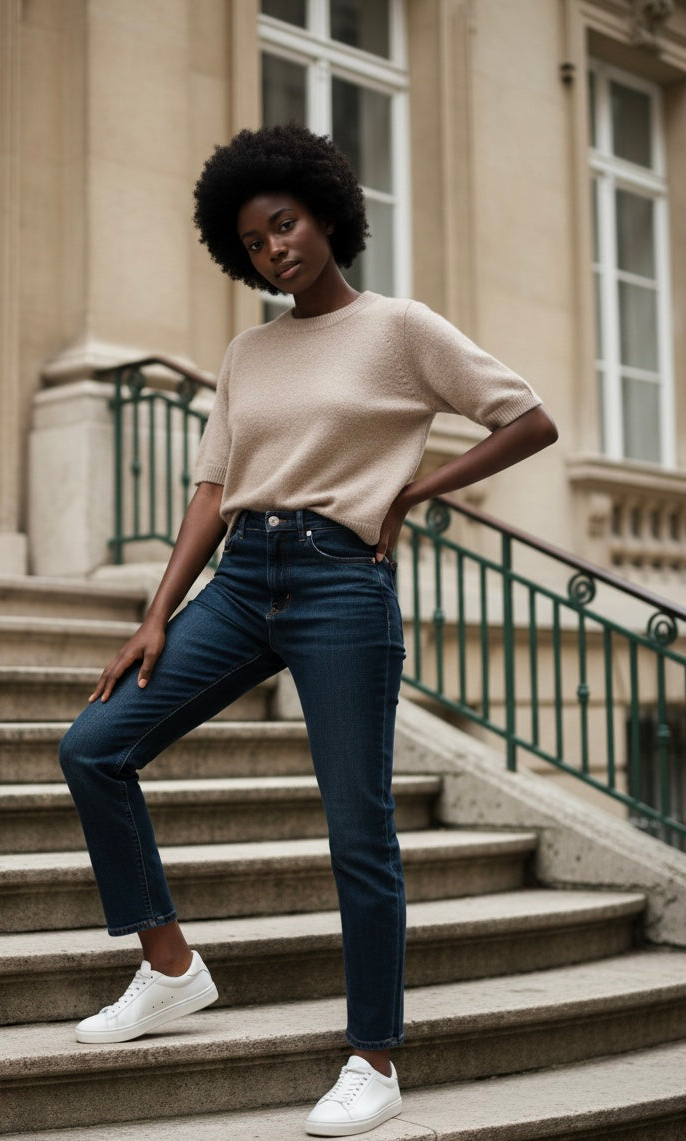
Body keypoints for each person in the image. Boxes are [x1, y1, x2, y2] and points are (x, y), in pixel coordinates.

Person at [59, 122, 558, 1138]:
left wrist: (414, 492)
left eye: (282, 224)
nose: (273, 247)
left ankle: (373, 1057)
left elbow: (528, 419)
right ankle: (169, 967)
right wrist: (155, 617)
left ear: (325, 214)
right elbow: (210, 490)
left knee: (358, 828)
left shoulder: (401, 328)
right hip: (243, 578)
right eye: (251, 241)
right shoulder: (250, 351)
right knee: (94, 746)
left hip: (341, 583)